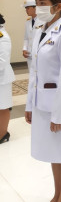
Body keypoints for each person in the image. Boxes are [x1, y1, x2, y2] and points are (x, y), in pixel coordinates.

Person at [25, 0, 61, 202]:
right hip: (40, 103)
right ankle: (57, 193)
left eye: (43, 3)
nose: (38, 8)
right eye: (37, 4)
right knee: (53, 152)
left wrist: (58, 114)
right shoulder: (39, 31)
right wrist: (29, 105)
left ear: (58, 7)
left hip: (58, 105)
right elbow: (34, 73)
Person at [0, 14, 15, 144]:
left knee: (3, 106)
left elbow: (2, 61)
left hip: (2, 78)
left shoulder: (2, 37)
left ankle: (3, 134)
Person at [22, 0, 43, 71]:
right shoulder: (28, 22)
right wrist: (24, 49)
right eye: (25, 9)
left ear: (35, 8)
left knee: (40, 75)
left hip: (39, 54)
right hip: (30, 53)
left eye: (28, 8)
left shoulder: (44, 20)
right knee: (32, 75)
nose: (26, 10)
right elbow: (26, 38)